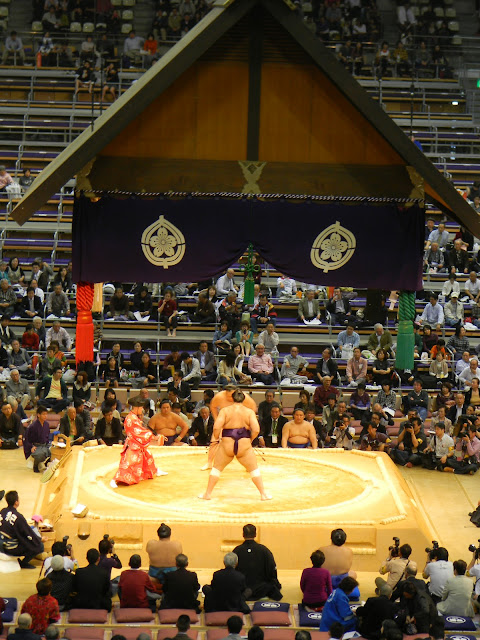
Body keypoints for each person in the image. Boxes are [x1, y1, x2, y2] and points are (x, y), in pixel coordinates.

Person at [199, 390, 270, 500]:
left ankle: (207, 494)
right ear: (243, 399)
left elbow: (217, 427)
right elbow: (256, 429)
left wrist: (217, 438)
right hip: (244, 445)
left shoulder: (225, 411)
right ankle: (263, 494)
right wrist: (250, 439)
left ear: (232, 399)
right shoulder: (249, 412)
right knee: (254, 469)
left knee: (216, 469)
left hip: (227, 444)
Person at [110, 396, 167, 488]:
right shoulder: (130, 418)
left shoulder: (134, 417)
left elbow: (141, 430)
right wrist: (154, 436)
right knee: (128, 464)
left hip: (137, 444)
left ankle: (155, 471)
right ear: (136, 408)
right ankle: (114, 480)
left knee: (147, 456)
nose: (142, 410)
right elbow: (139, 432)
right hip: (133, 445)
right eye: (141, 408)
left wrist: (155, 436)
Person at [232, 523, 281, 600]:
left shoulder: (237, 551)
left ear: (243, 534)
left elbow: (231, 571)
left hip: (242, 589)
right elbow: (272, 571)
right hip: (261, 590)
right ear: (255, 534)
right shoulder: (264, 550)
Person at [0, 490, 44, 569]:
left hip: (2, 544)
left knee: (31, 529)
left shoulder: (3, 511)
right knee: (40, 546)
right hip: (10, 548)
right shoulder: (19, 517)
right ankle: (23, 563)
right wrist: (40, 539)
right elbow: (28, 534)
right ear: (16, 502)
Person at [320, 529, 358, 597]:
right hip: (343, 581)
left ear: (331, 538)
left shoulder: (321, 549)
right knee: (353, 573)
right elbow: (348, 567)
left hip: (326, 580)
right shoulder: (349, 551)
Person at [23, 406, 50, 473]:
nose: (45, 416)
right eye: (43, 414)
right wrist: (31, 447)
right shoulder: (32, 426)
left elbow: (47, 437)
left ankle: (44, 463)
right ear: (38, 415)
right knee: (39, 454)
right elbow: (27, 439)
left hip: (45, 445)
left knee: (55, 451)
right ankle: (36, 465)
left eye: (46, 414)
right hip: (36, 446)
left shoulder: (46, 424)